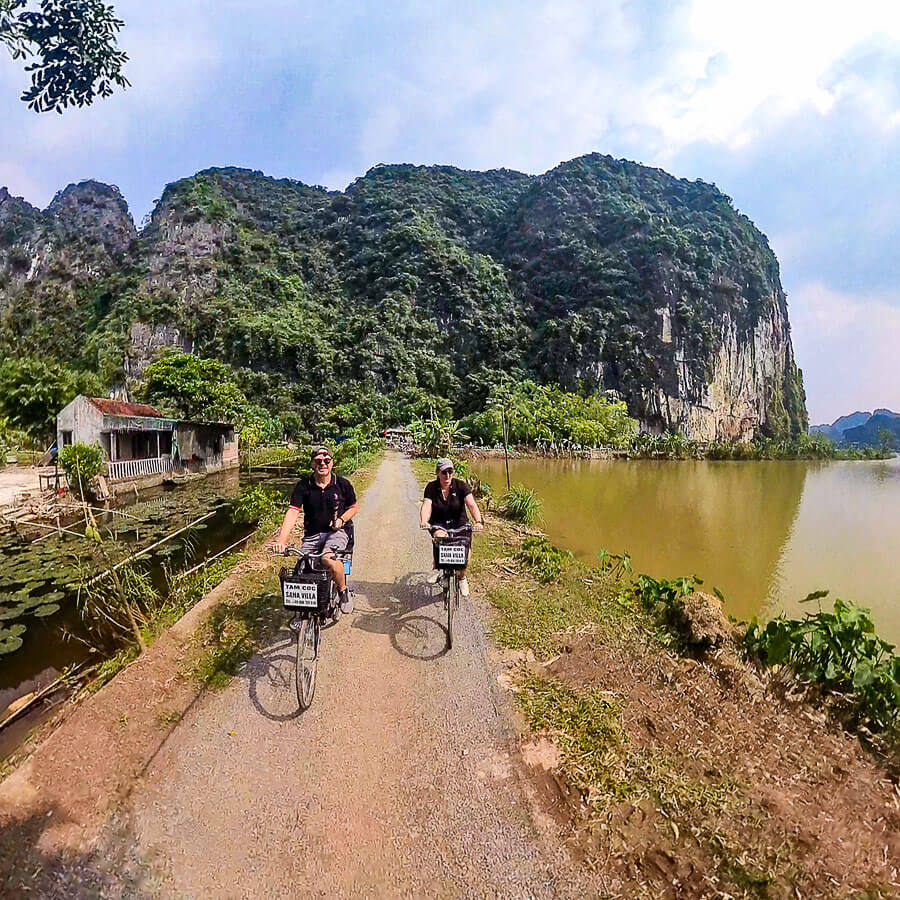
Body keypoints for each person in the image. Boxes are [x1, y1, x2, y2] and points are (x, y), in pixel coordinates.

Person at [274, 446, 359, 614]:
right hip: (312, 534)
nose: (323, 464)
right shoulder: (304, 486)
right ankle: (306, 610)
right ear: (313, 464)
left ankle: (343, 591)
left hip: (337, 532)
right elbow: (293, 511)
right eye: (318, 461)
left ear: (332, 463)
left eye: (326, 461)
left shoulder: (342, 484)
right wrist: (281, 541)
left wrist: (341, 520)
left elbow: (353, 507)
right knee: (302, 569)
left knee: (328, 560)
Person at [419, 458, 484, 597]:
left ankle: (462, 578)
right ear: (438, 473)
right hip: (439, 524)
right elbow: (427, 505)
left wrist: (478, 521)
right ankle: (437, 568)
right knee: (439, 539)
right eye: (444, 472)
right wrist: (424, 520)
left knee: (465, 554)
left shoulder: (461, 486)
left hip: (460, 525)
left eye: (450, 472)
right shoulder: (431, 487)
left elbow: (472, 505)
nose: (447, 475)